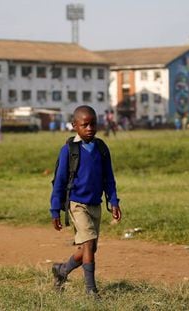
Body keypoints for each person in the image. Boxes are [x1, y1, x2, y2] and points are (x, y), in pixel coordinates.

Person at [50, 105, 122, 298]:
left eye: (93, 124)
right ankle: (91, 290)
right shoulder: (68, 150)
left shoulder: (101, 148)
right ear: (75, 126)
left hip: (95, 205)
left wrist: (113, 201)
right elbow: (59, 182)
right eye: (85, 125)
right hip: (76, 204)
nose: (90, 128)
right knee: (89, 242)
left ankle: (62, 270)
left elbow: (109, 177)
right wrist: (55, 209)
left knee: (88, 248)